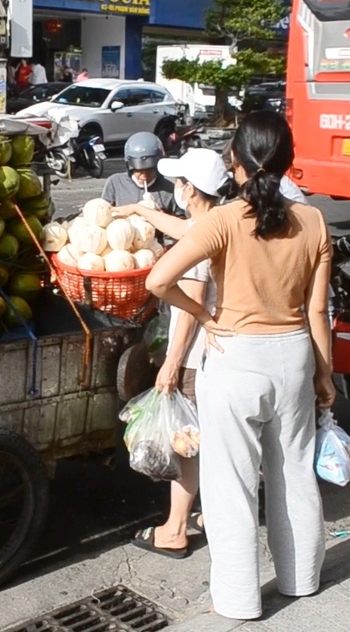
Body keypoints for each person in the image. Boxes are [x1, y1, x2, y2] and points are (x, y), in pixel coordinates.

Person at [145, 111, 333, 620]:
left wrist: (207, 317)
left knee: (232, 486)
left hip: (234, 359)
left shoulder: (223, 220)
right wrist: (325, 372)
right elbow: (318, 310)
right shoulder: (313, 220)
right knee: (293, 472)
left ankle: (239, 600)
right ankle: (301, 579)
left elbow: (159, 280)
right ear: (288, 159)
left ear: (237, 163)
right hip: (293, 354)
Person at [124, 148, 232, 559]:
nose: (175, 188)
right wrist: (139, 210)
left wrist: (171, 364)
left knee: (187, 444)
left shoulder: (201, 239)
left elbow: (191, 300)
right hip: (214, 353)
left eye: (179, 183)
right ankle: (210, 514)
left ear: (189, 189)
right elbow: (181, 226)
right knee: (212, 440)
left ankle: (174, 530)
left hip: (194, 356)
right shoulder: (216, 221)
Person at [101, 132, 178, 215]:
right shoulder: (115, 183)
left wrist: (163, 216)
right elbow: (102, 212)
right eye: (139, 170)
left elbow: (182, 222)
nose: (144, 175)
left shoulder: (169, 189)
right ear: (130, 167)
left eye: (149, 170)